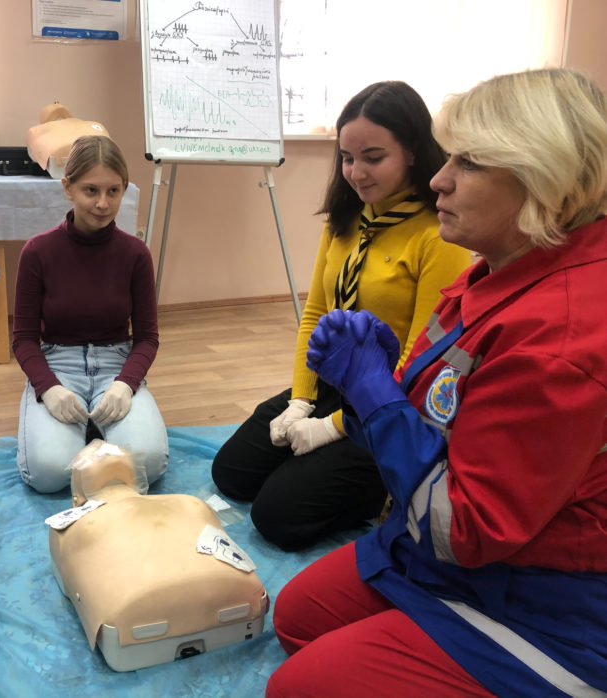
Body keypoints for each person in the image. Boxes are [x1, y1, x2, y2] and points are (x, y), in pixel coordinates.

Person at [267, 68, 607, 698]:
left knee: (299, 687)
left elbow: (465, 529)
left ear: (547, 180)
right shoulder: (498, 270)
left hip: (544, 595)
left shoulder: (562, 336)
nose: (439, 179)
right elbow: (442, 419)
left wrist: (375, 394)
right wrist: (377, 387)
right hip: (452, 548)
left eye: (468, 163)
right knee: (297, 617)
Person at [211, 81, 473, 550]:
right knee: (232, 473)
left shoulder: (437, 235)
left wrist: (331, 428)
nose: (356, 173)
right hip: (336, 384)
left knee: (277, 517)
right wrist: (301, 401)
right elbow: (315, 314)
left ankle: (382, 489)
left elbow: (422, 358)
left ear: (413, 151)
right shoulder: (348, 220)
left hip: (391, 402)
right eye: (348, 158)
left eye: (374, 157)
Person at [12, 135, 168, 493]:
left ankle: (92, 430)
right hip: (58, 367)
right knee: (48, 473)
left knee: (149, 463)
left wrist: (125, 385)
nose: (102, 203)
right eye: (91, 190)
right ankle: (89, 432)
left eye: (113, 191)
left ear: (124, 188)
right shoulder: (37, 252)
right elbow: (23, 340)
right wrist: (49, 388)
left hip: (116, 366)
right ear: (68, 187)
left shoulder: (136, 254)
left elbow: (147, 338)